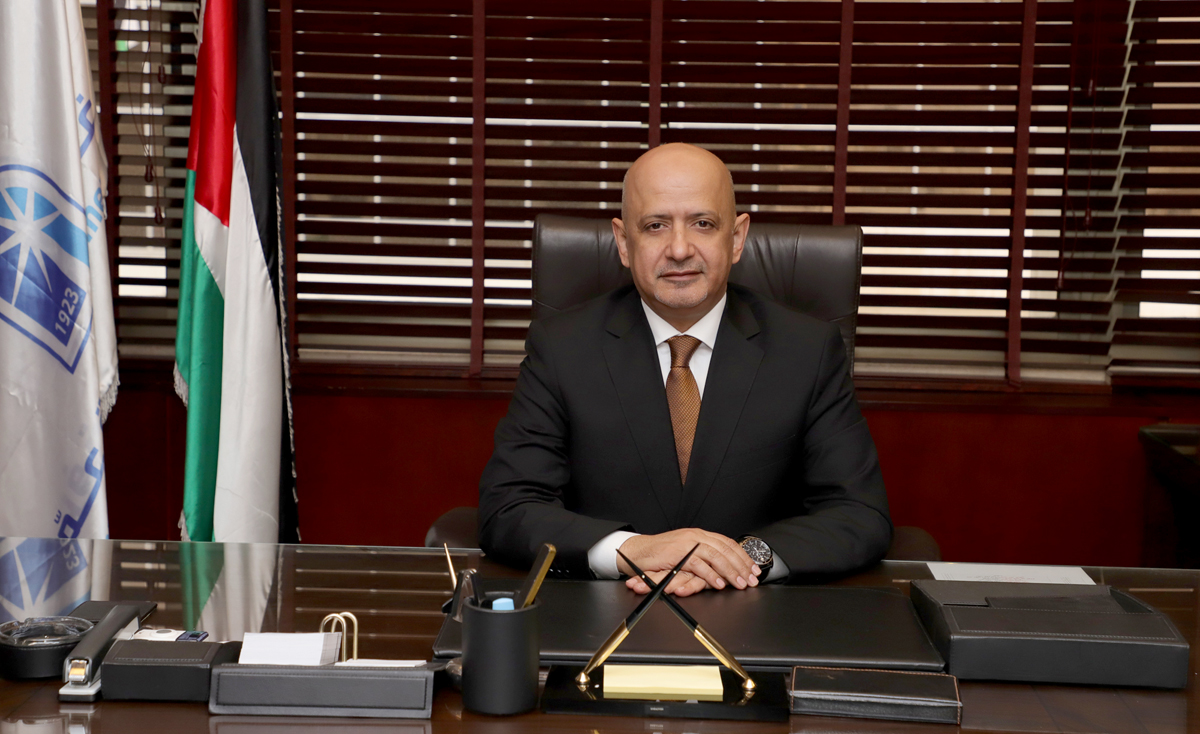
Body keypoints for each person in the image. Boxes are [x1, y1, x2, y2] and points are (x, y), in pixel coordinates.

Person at [479, 143, 891, 597]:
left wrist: (741, 560)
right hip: (602, 610)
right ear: (623, 242)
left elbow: (858, 513)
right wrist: (631, 549)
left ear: (736, 238)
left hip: (755, 611)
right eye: (655, 226)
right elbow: (509, 507)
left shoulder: (807, 350)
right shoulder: (562, 347)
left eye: (703, 224)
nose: (679, 249)